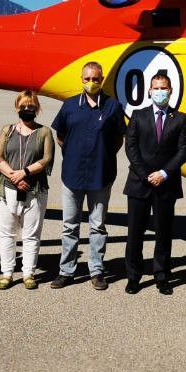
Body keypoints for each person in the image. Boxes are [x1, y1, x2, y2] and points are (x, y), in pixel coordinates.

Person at [50, 61, 124, 290]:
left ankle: (97, 270)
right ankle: (66, 271)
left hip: (101, 176)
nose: (91, 82)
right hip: (72, 175)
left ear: (101, 80)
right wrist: (73, 153)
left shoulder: (112, 106)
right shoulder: (70, 105)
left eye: (96, 79)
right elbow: (60, 136)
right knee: (69, 225)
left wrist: (102, 155)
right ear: (81, 80)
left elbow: (118, 139)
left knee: (97, 226)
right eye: (87, 79)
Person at [123, 71, 186, 294]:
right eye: (156, 88)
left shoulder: (180, 118)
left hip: (166, 184)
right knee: (135, 233)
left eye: (164, 88)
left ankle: (161, 275)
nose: (160, 92)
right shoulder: (138, 115)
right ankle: (134, 276)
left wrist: (164, 173)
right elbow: (131, 148)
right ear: (149, 91)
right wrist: (146, 175)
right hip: (139, 183)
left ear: (170, 91)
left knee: (163, 232)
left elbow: (182, 151)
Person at [0, 90, 54, 290]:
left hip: (35, 189)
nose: (27, 110)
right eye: (23, 106)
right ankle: (7, 273)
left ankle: (28, 273)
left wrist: (25, 172)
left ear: (37, 109)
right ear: (16, 107)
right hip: (7, 188)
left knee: (31, 234)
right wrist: (14, 176)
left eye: (31, 106)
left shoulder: (44, 132)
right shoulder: (7, 130)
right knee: (7, 233)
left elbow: (46, 159)